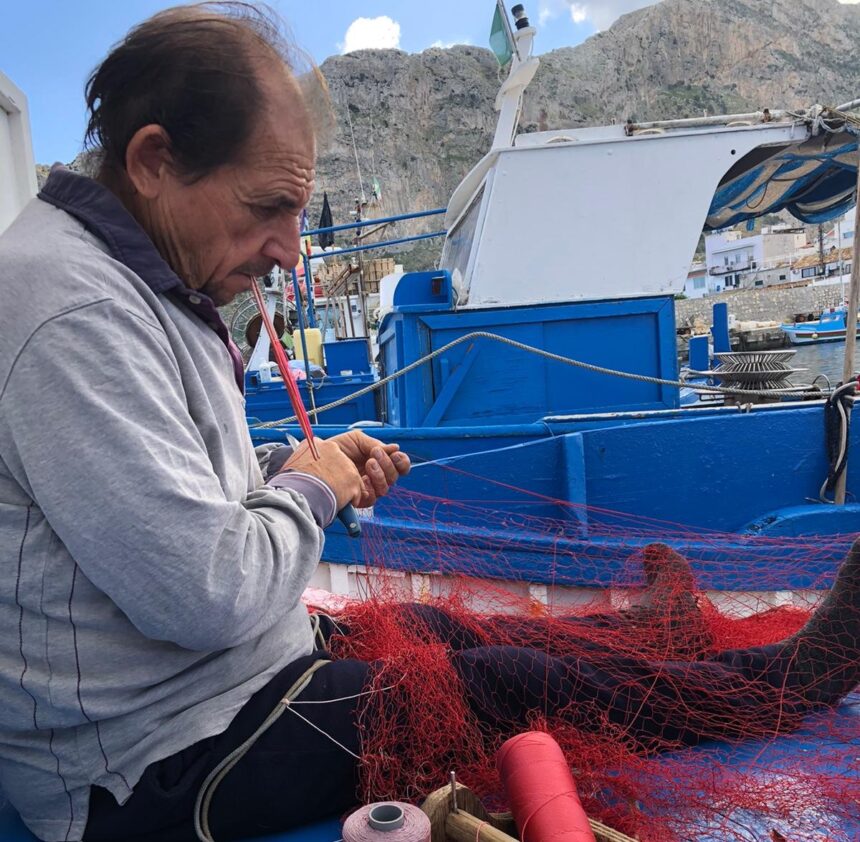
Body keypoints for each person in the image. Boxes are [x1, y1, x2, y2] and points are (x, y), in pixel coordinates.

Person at [0, 5, 858, 842]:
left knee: (446, 632)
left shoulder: (140, 279)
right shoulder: (72, 314)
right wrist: (311, 486)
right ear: (154, 160)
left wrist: (296, 462)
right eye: (268, 208)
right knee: (501, 683)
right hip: (157, 761)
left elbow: (166, 489)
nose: (290, 249)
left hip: (223, 681)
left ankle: (643, 636)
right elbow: (206, 594)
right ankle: (784, 677)